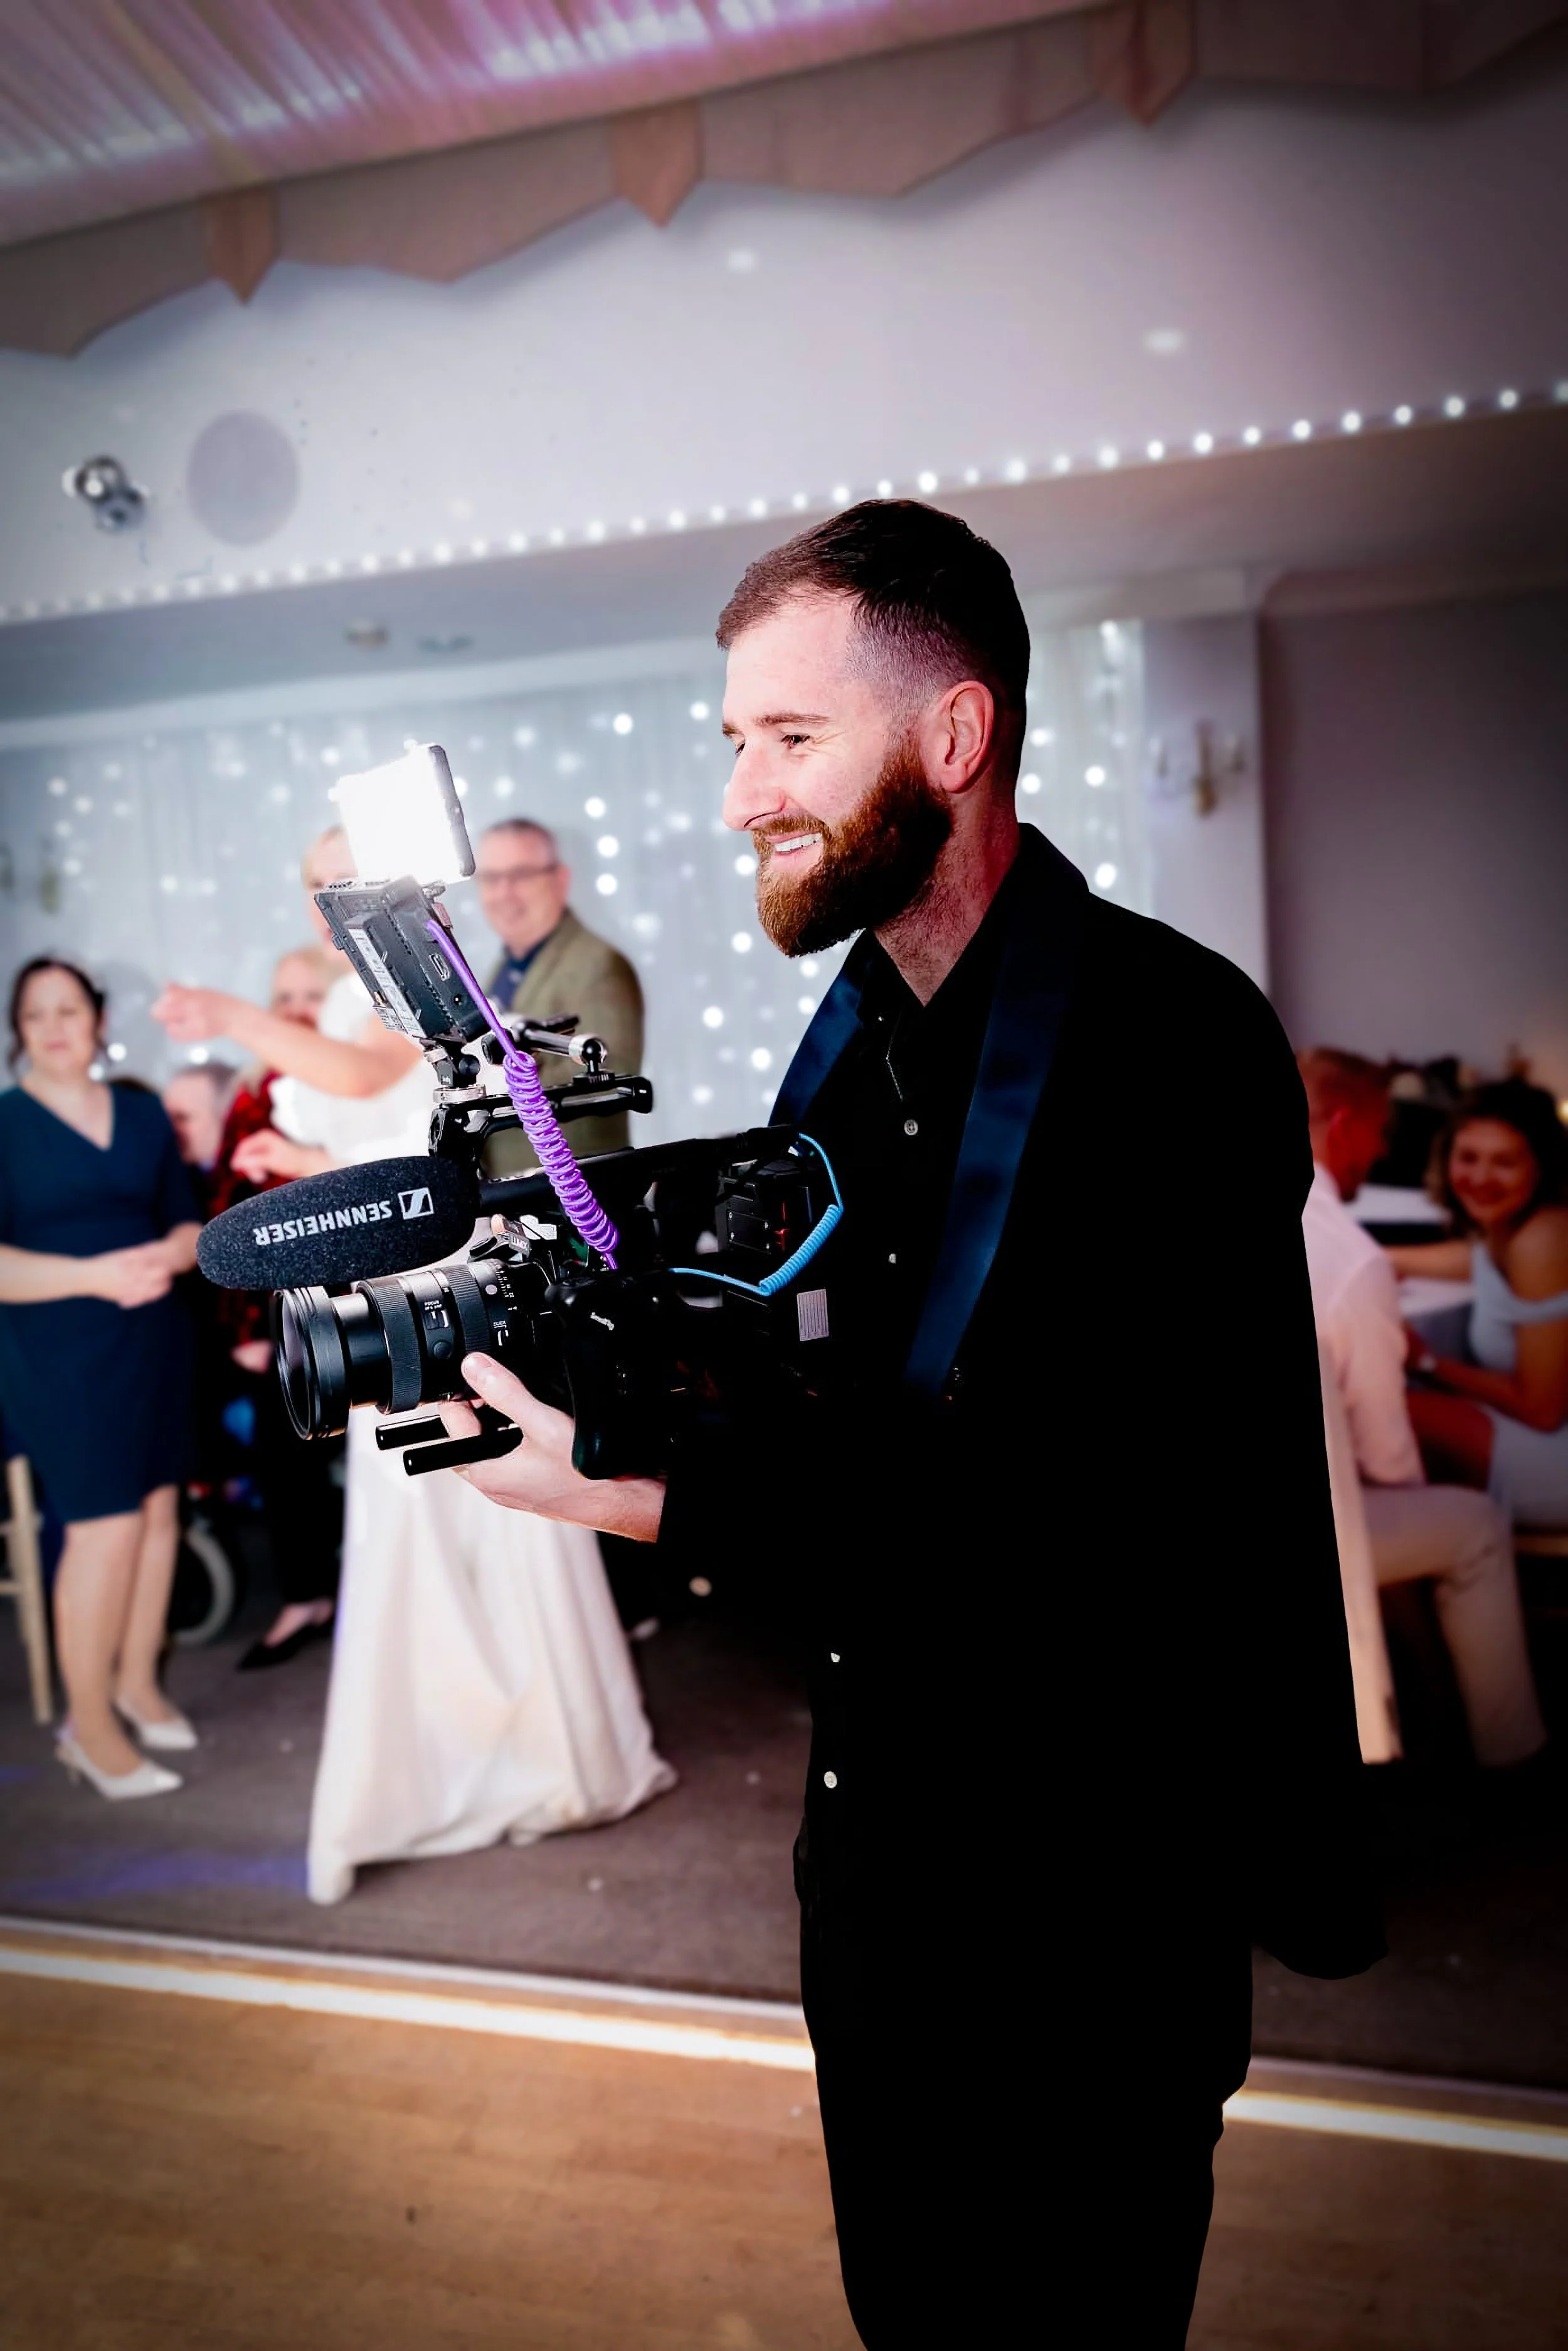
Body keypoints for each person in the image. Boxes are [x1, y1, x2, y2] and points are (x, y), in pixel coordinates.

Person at [432, 502, 1382, 2347]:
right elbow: (818, 1391)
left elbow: (1070, 1524)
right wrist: (581, 1353)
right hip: (876, 1896)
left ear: (950, 739)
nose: (736, 799)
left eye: (786, 739)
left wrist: (648, 1502)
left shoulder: (1173, 1044)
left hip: (1087, 1920)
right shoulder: (846, 1047)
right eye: (734, 744)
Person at [156, 831, 674, 1901]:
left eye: (347, 880)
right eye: (316, 885)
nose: (330, 901)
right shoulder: (342, 999)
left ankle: (536, 1752)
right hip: (377, 1283)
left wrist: (238, 1021)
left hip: (438, 1274)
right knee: (419, 1528)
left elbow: (383, 1103)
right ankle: (454, 1753)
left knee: (495, 1514)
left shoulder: (414, 988)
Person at [1299, 1049, 1546, 1768]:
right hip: (1330, 1528)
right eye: (1380, 1132)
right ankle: (1510, 1759)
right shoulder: (1350, 1261)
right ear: (1343, 1127)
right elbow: (1385, 1461)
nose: (1382, 1150)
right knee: (1466, 1523)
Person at [0, 958, 201, 1798]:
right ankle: (88, 1729)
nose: (53, 1025)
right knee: (105, 1526)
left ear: (97, 1019)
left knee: (159, 1513)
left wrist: (164, 1253)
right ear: (19, 1029)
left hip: (152, 1333)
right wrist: (94, 1276)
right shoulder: (6, 1125)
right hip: (58, 1344)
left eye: (68, 1009)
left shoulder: (141, 1112)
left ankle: (137, 1683)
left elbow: (191, 1224)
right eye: (36, 1013)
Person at [203, 945, 346, 1670]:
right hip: (272, 1313)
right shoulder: (255, 1090)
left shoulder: (349, 1082)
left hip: (348, 1300)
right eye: (282, 996)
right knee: (281, 1450)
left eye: (309, 996)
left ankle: (333, 1592)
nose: (294, 1010)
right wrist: (246, 1327)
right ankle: (306, 1593)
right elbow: (228, 1209)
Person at [1388, 1077, 1568, 1528]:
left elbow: (1543, 1410)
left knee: (1376, 1411)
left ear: (1542, 1167)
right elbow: (1471, 1261)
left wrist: (1427, 1362)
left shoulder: (1543, 1241)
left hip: (1554, 1453)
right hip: (1540, 1436)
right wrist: (1375, 1258)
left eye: (1504, 1162)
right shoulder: (1511, 1232)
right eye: (1467, 1158)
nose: (1481, 1178)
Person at [475, 817, 644, 1169]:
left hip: (577, 1197)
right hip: (519, 1192)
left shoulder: (597, 964)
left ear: (560, 880)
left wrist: (491, 1080)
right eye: (491, 878)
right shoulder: (507, 967)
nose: (504, 893)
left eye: (520, 875)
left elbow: (610, 1082)